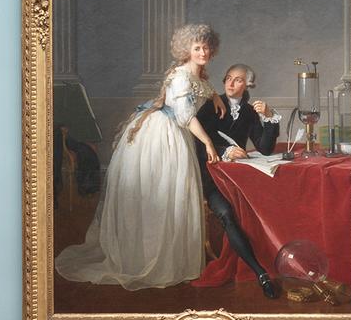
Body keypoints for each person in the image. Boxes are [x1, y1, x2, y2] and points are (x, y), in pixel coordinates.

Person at [53, 21, 268, 290]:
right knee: (164, 193)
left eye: (207, 48)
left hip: (177, 133)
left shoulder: (199, 73)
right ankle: (153, 258)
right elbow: (186, 116)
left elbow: (202, 86)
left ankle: (172, 254)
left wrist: (214, 96)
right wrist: (209, 145)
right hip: (163, 135)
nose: (203, 52)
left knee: (174, 194)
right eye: (197, 48)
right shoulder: (180, 75)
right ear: (187, 49)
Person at [200, 63, 282, 159]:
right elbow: (198, 141)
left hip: (238, 164)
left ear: (247, 85)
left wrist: (269, 116)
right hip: (211, 163)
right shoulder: (211, 104)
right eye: (228, 78)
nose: (231, 84)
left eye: (238, 80)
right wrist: (224, 152)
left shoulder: (250, 111)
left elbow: (265, 149)